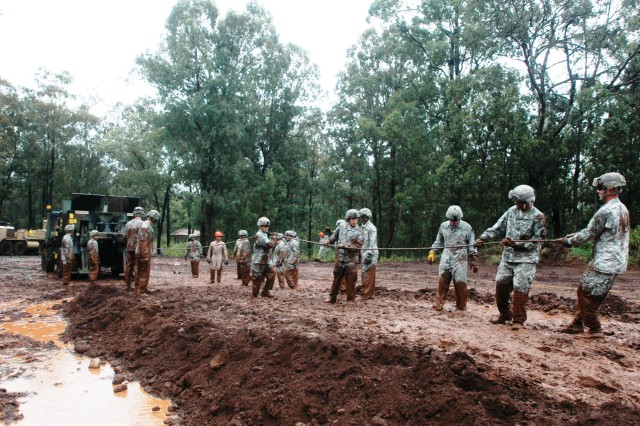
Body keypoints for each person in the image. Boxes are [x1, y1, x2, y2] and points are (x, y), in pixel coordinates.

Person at [559, 172, 630, 338]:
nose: (598, 191)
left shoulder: (605, 211)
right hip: (617, 261)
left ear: (610, 189)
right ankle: (577, 324)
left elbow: (589, 234)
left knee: (584, 293)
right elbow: (598, 231)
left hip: (604, 261)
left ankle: (594, 329)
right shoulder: (623, 209)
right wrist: (573, 235)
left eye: (600, 188)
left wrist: (569, 242)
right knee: (595, 295)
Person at [475, 185, 546, 329]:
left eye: (519, 202)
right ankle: (505, 314)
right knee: (501, 282)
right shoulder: (511, 212)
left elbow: (538, 241)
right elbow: (498, 227)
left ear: (528, 201)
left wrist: (517, 244)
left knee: (520, 286)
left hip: (526, 259)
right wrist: (484, 237)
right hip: (508, 257)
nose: (516, 204)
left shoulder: (539, 217)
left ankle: (518, 320)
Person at [428, 206, 478, 311]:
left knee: (460, 282)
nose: (454, 223)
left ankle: (461, 306)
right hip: (447, 255)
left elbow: (472, 244)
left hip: (461, 257)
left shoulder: (467, 227)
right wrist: (432, 252)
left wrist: (473, 258)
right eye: (452, 221)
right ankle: (438, 304)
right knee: (443, 280)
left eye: (456, 221)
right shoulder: (443, 226)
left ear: (460, 219)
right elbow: (439, 241)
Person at [325, 209, 363, 304]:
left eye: (356, 219)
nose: (354, 221)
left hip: (352, 260)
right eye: (352, 219)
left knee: (351, 280)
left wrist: (346, 246)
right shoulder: (341, 226)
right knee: (336, 279)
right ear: (348, 219)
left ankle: (350, 300)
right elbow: (334, 236)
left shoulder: (360, 231)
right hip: (340, 258)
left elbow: (358, 246)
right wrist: (329, 241)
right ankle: (332, 298)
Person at [251, 216, 278, 298]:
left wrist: (271, 235)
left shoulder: (265, 234)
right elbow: (270, 245)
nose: (267, 228)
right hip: (258, 260)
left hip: (266, 259)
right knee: (257, 278)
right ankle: (255, 293)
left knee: (272, 273)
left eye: (267, 226)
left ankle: (266, 291)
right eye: (265, 226)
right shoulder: (259, 235)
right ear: (260, 226)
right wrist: (274, 238)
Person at [135, 209, 160, 294]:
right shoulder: (145, 227)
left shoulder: (147, 226)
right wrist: (144, 254)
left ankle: (144, 288)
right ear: (153, 218)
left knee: (145, 272)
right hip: (143, 253)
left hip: (146, 252)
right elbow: (143, 242)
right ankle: (141, 290)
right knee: (143, 272)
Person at [359, 208, 379, 300]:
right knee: (365, 273)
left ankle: (367, 294)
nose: (361, 218)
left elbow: (372, 242)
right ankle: (367, 293)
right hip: (364, 253)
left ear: (367, 217)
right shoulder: (362, 227)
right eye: (361, 217)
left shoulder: (371, 228)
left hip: (370, 254)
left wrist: (369, 254)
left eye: (363, 217)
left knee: (368, 274)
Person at [123, 206, 145, 290]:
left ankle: (128, 285)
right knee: (138, 266)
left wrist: (128, 243)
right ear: (142, 213)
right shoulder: (143, 224)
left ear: (134, 213)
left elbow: (124, 236)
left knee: (129, 266)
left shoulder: (128, 223)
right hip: (139, 249)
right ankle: (137, 285)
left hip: (129, 248)